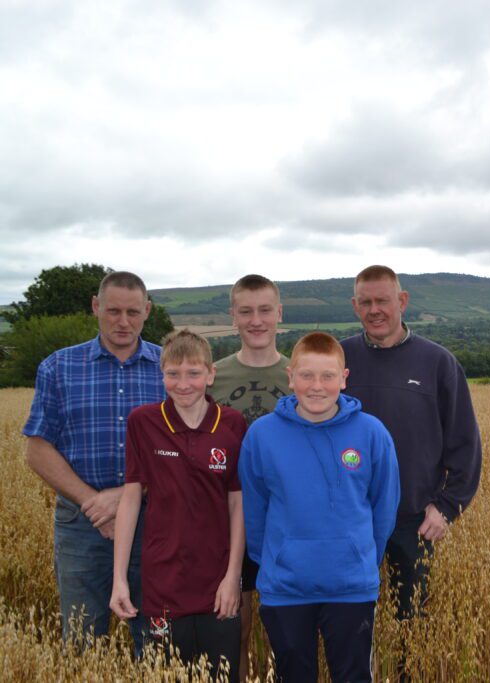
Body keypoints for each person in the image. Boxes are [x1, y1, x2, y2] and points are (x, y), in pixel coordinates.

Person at [240, 332, 400, 682]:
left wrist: (360, 558)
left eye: (328, 376)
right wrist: (274, 560)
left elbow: (383, 509)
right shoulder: (262, 435)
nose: (317, 386)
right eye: (307, 375)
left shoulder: (372, 433)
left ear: (344, 379)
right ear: (290, 377)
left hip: (351, 587)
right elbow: (254, 510)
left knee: (353, 676)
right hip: (285, 589)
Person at [23, 271, 164, 652]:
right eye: (113, 310)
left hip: (155, 520)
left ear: (147, 311)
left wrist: (125, 497)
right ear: (95, 306)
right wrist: (95, 503)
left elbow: (185, 450)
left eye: (133, 312)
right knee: (83, 640)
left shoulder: (171, 371)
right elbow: (38, 449)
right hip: (82, 525)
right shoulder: (58, 367)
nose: (123, 321)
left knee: (155, 640)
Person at [341, 266, 482, 622]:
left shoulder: (438, 362)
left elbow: (465, 444)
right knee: (350, 619)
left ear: (402, 301)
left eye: (383, 301)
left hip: (413, 520)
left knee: (411, 623)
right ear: (355, 306)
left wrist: (447, 508)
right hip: (347, 519)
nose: (375, 310)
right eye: (366, 302)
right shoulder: (338, 360)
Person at [110, 329, 247, 682]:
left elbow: (238, 503)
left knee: (222, 676)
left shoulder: (231, 424)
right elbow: (130, 499)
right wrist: (120, 580)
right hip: (163, 582)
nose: (183, 383)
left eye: (193, 373)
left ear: (211, 374)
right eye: (173, 373)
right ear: (162, 374)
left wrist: (233, 577)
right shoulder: (143, 422)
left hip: (218, 582)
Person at [208, 273, 289, 679]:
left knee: (285, 629)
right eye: (246, 312)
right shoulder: (211, 377)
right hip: (225, 525)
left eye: (264, 310)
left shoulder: (300, 375)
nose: (256, 321)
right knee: (233, 627)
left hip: (284, 523)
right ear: (233, 317)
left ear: (279, 313)